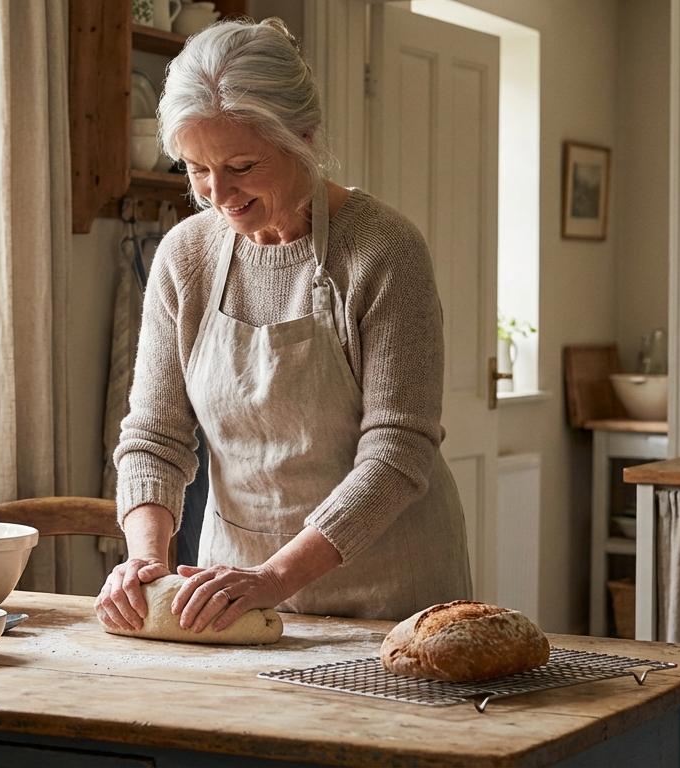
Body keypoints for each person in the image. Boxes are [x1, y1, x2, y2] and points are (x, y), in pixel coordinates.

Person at [95, 18, 472, 636]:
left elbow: (399, 450)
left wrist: (275, 577)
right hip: (230, 594)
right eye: (196, 168)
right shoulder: (185, 257)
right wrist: (146, 561)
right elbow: (154, 438)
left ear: (303, 138)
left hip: (388, 593)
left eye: (241, 165)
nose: (218, 194)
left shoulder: (383, 250)